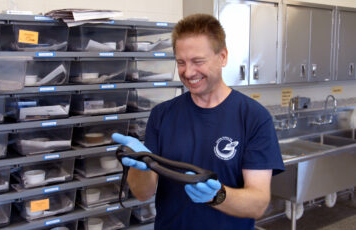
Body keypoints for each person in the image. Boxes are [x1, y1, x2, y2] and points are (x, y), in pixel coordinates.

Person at [112, 14, 285, 230]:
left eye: (198, 61)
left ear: (222, 57)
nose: (188, 72)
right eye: (181, 62)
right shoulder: (162, 114)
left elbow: (258, 203)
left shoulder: (253, 117)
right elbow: (143, 193)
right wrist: (140, 166)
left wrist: (219, 196)